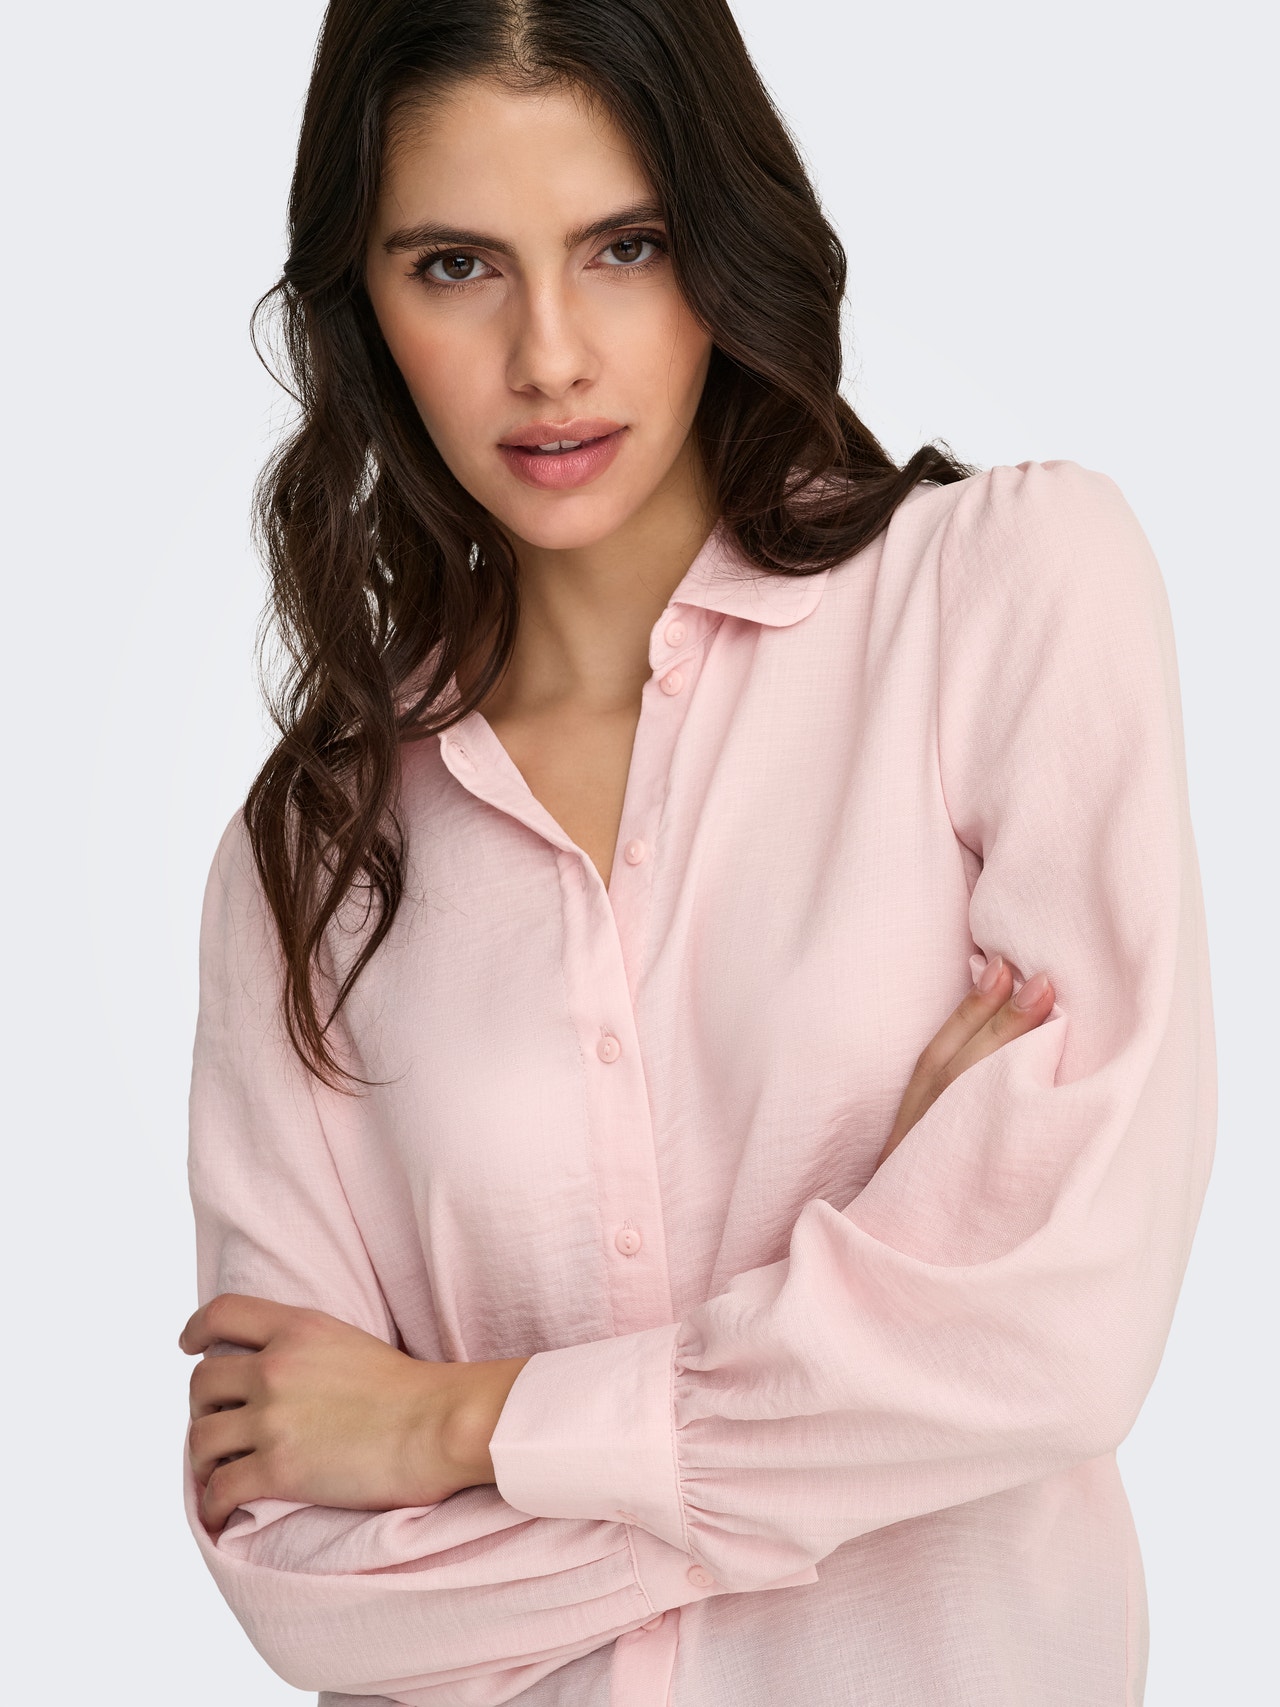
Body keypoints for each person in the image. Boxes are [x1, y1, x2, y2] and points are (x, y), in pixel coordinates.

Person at [176, 2, 1217, 1704]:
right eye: (456, 266)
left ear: (725, 240)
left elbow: (1062, 1339)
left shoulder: (1002, 599)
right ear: (362, 300)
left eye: (625, 245)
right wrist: (874, 1383)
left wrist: (451, 1427)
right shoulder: (308, 863)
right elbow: (305, 1575)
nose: (550, 357)